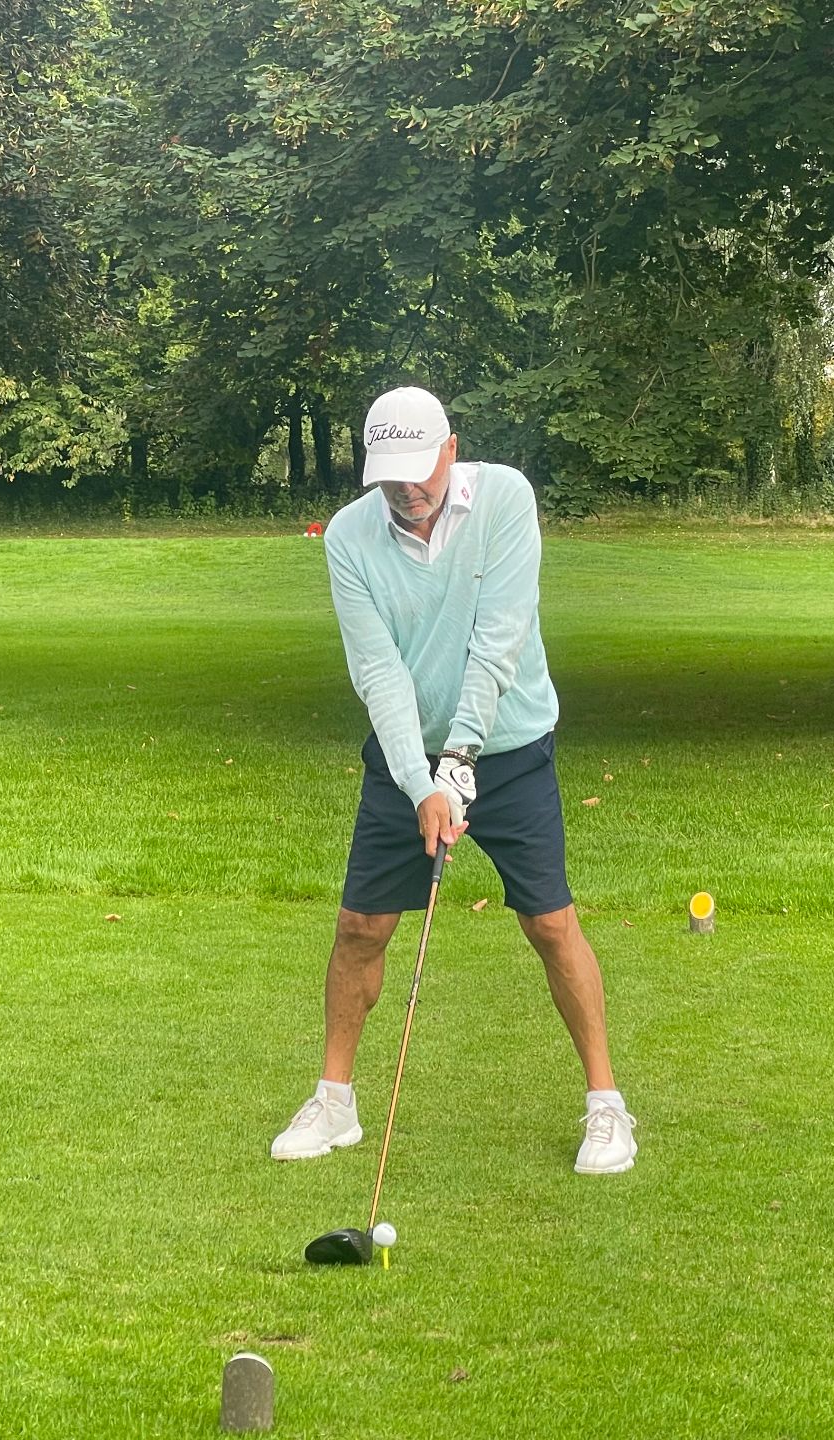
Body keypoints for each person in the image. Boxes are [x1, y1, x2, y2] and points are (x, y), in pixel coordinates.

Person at [270, 385, 636, 1175]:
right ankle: (334, 1102)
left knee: (551, 924)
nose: (407, 488)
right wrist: (422, 782)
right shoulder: (349, 537)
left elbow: (498, 639)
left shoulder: (505, 499)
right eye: (389, 475)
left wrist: (462, 760)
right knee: (360, 928)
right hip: (407, 763)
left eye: (419, 467)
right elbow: (379, 672)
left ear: (451, 449)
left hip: (509, 746)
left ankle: (607, 1106)